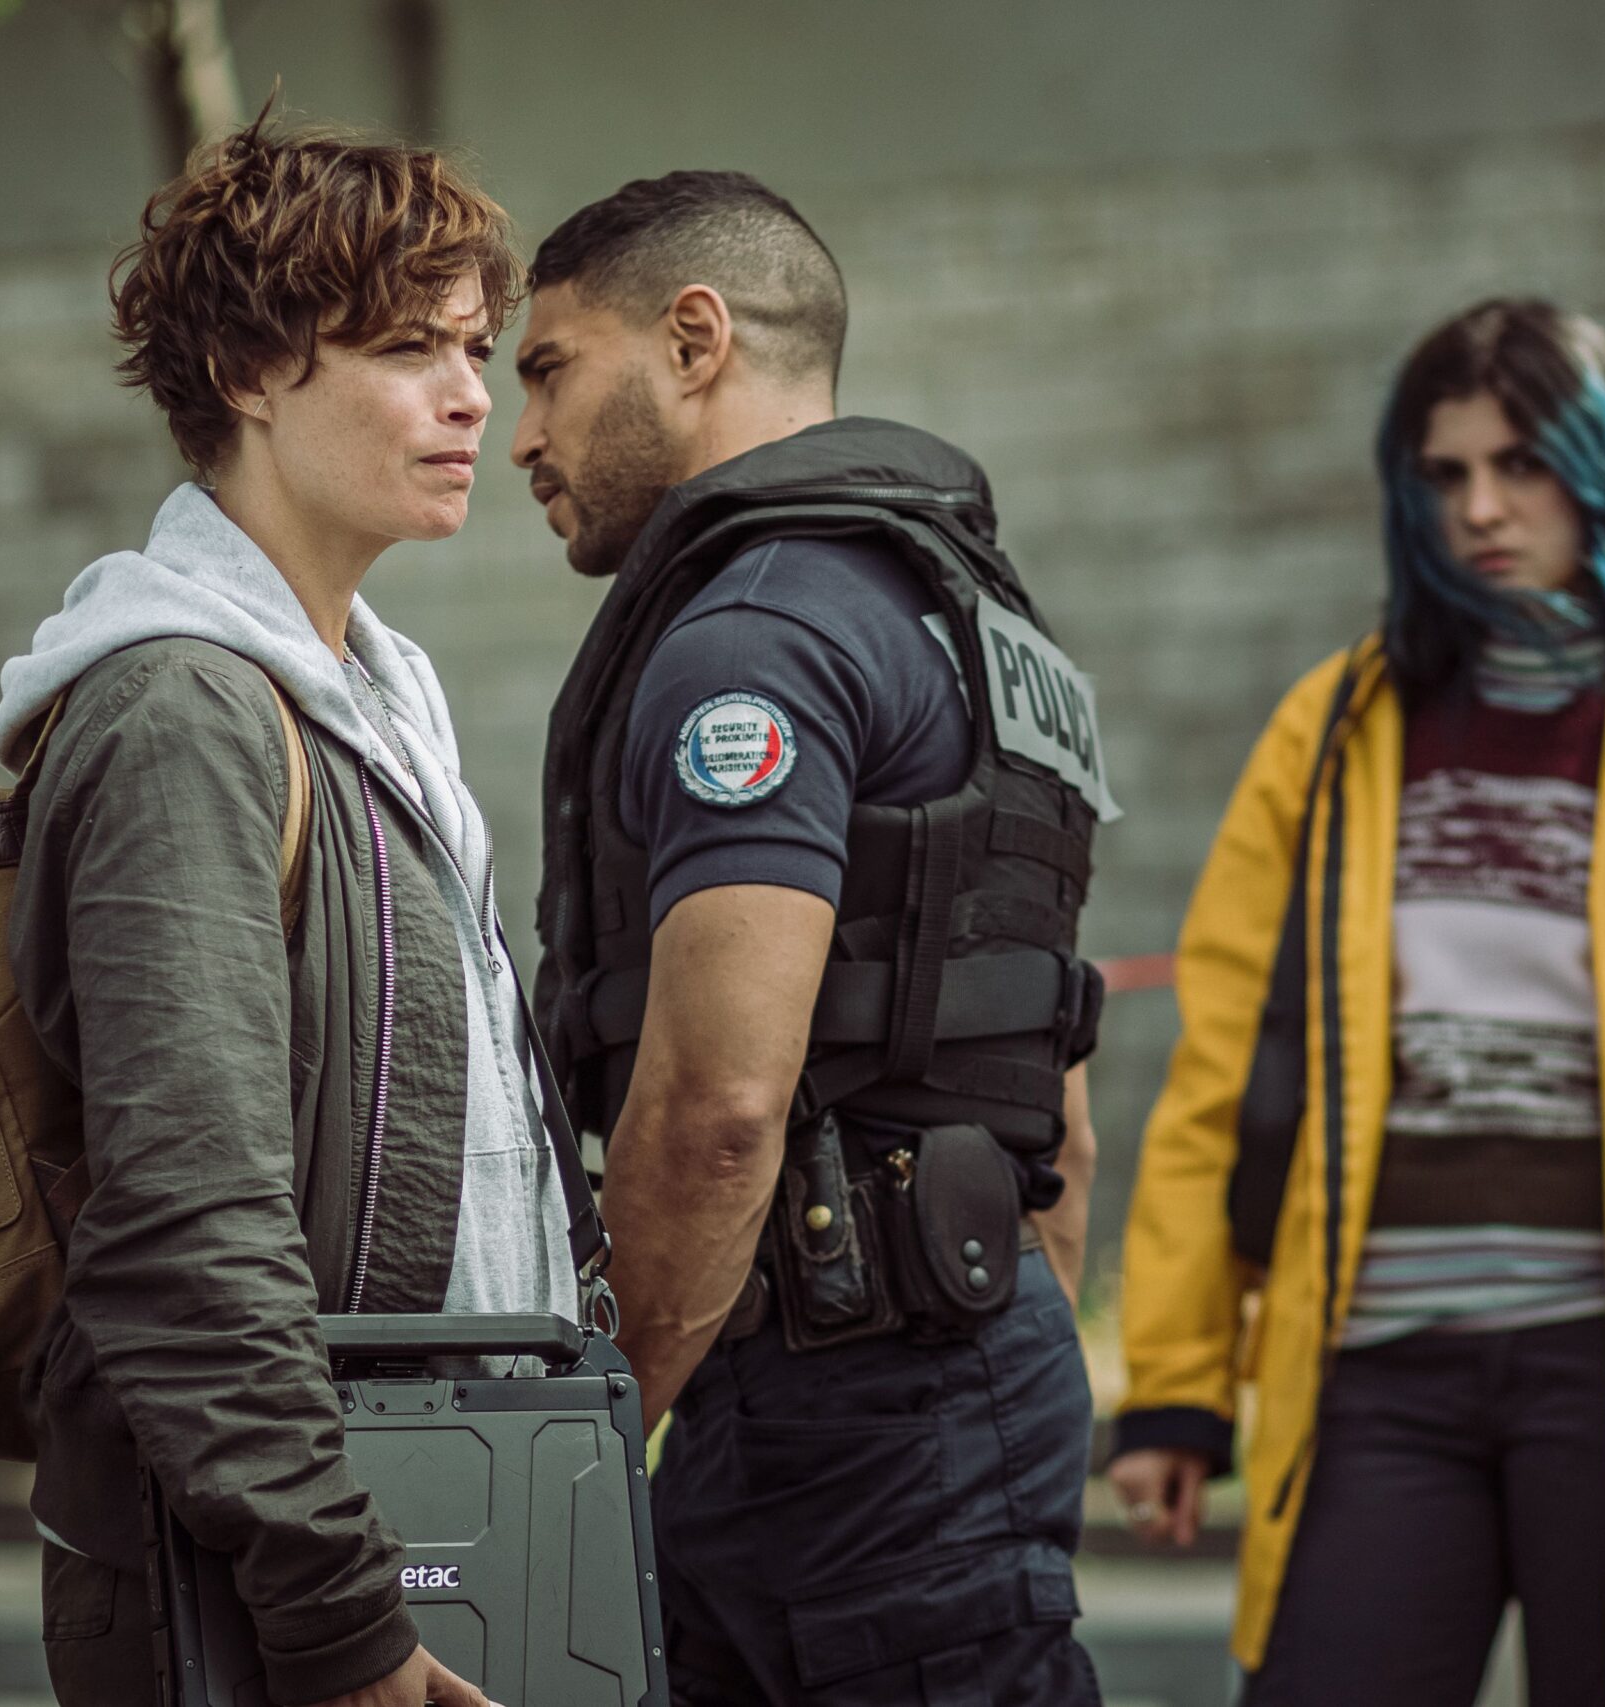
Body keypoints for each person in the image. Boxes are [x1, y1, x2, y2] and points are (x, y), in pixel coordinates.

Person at [1109, 298, 1605, 1705]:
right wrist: (1178, 1381)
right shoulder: (1337, 731)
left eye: (1522, 465)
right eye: (1448, 472)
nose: (1483, 507)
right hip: (1380, 1372)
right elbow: (1223, 1067)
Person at [0, 119, 579, 1707]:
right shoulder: (179, 715)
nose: (471, 395)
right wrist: (337, 1609)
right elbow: (186, 1217)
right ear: (251, 367)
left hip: (422, 1517)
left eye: (477, 345)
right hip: (268, 1588)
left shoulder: (372, 704)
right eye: (408, 348)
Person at [515, 170, 1112, 1706]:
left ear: (694, 338)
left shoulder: (752, 638)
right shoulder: (968, 616)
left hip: (836, 1398)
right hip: (949, 1355)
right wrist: (994, 1348)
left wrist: (584, 1450)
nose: (522, 436)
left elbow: (718, 1112)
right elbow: (1053, 1088)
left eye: (548, 371)